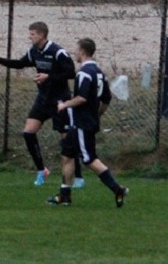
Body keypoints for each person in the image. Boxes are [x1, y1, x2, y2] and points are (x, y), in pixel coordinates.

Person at [0, 21, 80, 186]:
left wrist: (48, 77)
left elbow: (71, 73)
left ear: (42, 35)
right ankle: (41, 170)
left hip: (61, 100)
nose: (30, 37)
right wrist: (0, 60)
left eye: (32, 34)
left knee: (67, 140)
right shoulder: (34, 51)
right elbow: (21, 64)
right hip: (43, 99)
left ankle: (78, 177)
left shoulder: (57, 52)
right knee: (28, 133)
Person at [48, 38, 128, 208]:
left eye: (76, 50)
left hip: (82, 123)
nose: (74, 53)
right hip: (83, 122)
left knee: (89, 159)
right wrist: (97, 114)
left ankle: (117, 189)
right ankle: (64, 195)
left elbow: (81, 98)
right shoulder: (99, 73)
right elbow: (106, 99)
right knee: (67, 155)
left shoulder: (84, 73)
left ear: (82, 51)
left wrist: (65, 104)